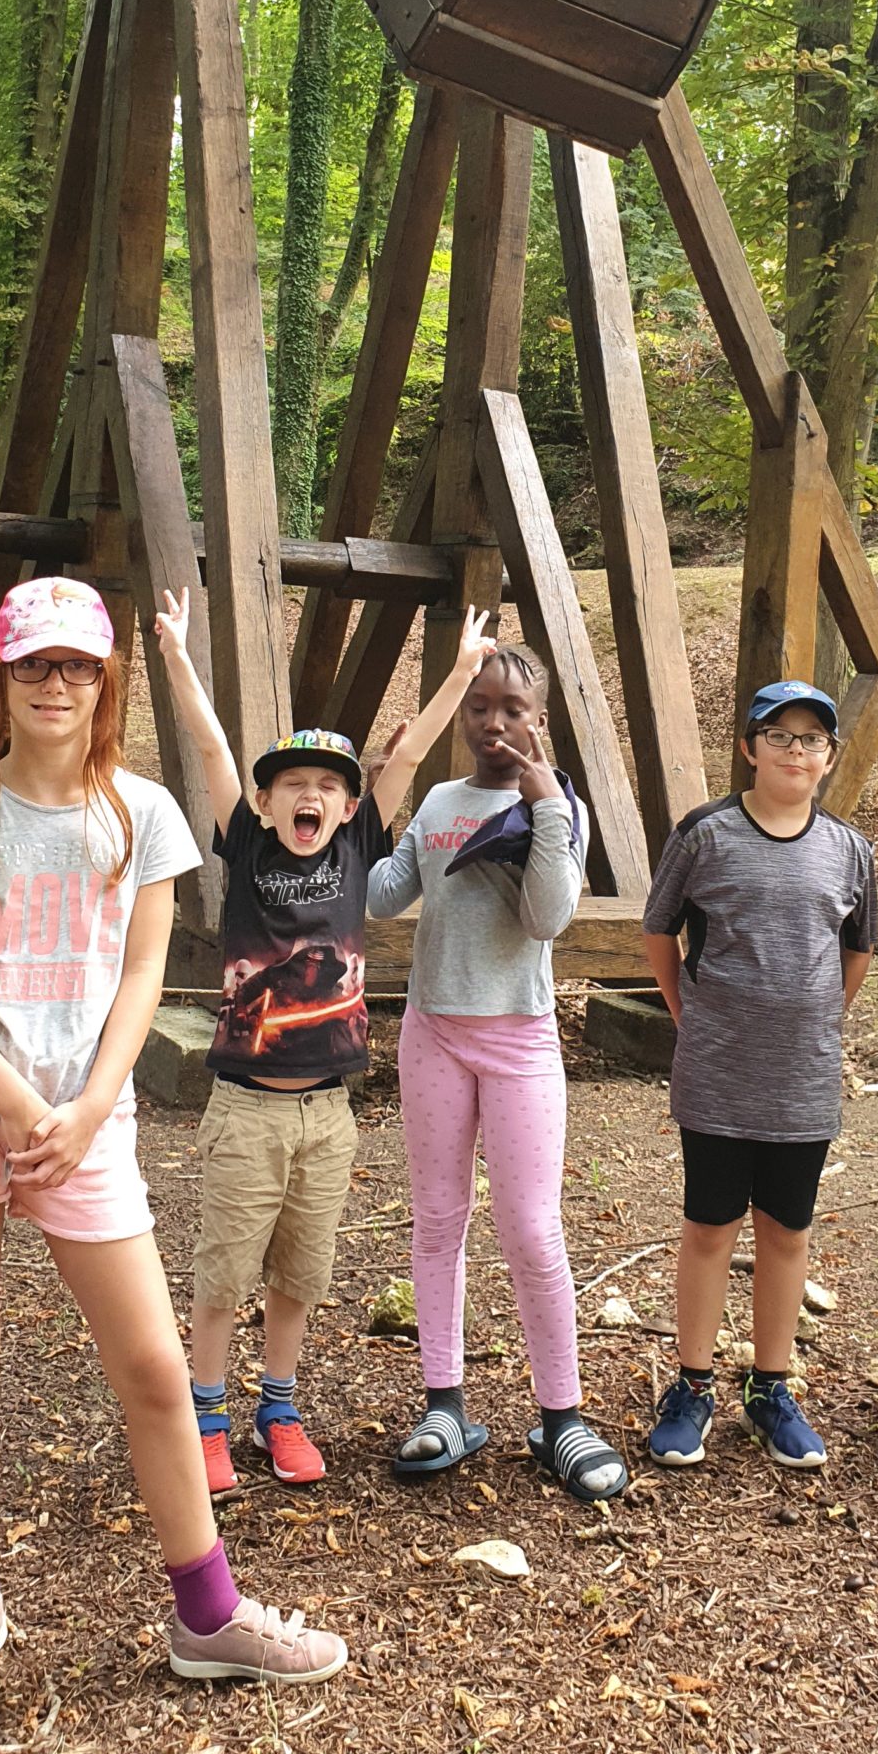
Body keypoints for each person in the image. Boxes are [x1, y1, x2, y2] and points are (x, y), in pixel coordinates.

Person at [0, 577, 345, 1707]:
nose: (54, 684)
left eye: (75, 665)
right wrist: (9, 1101)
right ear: (4, 677)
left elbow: (145, 973)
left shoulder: (144, 814)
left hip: (88, 1116)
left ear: (104, 681)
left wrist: (84, 1108)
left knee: (149, 1364)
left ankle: (209, 1612)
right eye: (33, 664)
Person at [153, 590, 496, 1494]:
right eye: (294, 786)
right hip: (247, 1108)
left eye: (329, 788)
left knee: (302, 1274)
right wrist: (180, 656)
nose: (313, 797)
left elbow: (407, 755)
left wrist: (462, 669)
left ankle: (280, 1406)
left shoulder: (355, 849)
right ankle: (208, 1415)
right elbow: (213, 750)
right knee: (225, 1272)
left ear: (349, 811)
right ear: (266, 805)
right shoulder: (249, 848)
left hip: (329, 1112)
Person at [367, 644, 627, 1502]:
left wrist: (546, 802)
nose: (493, 722)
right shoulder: (441, 802)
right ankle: (445, 1403)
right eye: (480, 705)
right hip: (433, 1032)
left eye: (512, 708)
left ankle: (562, 1417)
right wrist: (359, 799)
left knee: (531, 1228)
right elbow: (380, 893)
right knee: (439, 1221)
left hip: (519, 1038)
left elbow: (548, 915)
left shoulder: (561, 806)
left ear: (537, 720)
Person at [641, 680, 878, 1472]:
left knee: (786, 1230)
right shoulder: (705, 834)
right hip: (715, 1070)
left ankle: (772, 1386)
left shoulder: (848, 849)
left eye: (812, 740)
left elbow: (859, 948)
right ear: (748, 746)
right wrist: (690, 1015)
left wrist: (814, 1020)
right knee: (709, 1228)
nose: (796, 751)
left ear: (829, 757)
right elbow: (657, 932)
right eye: (780, 736)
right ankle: (693, 1385)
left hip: (802, 1077)